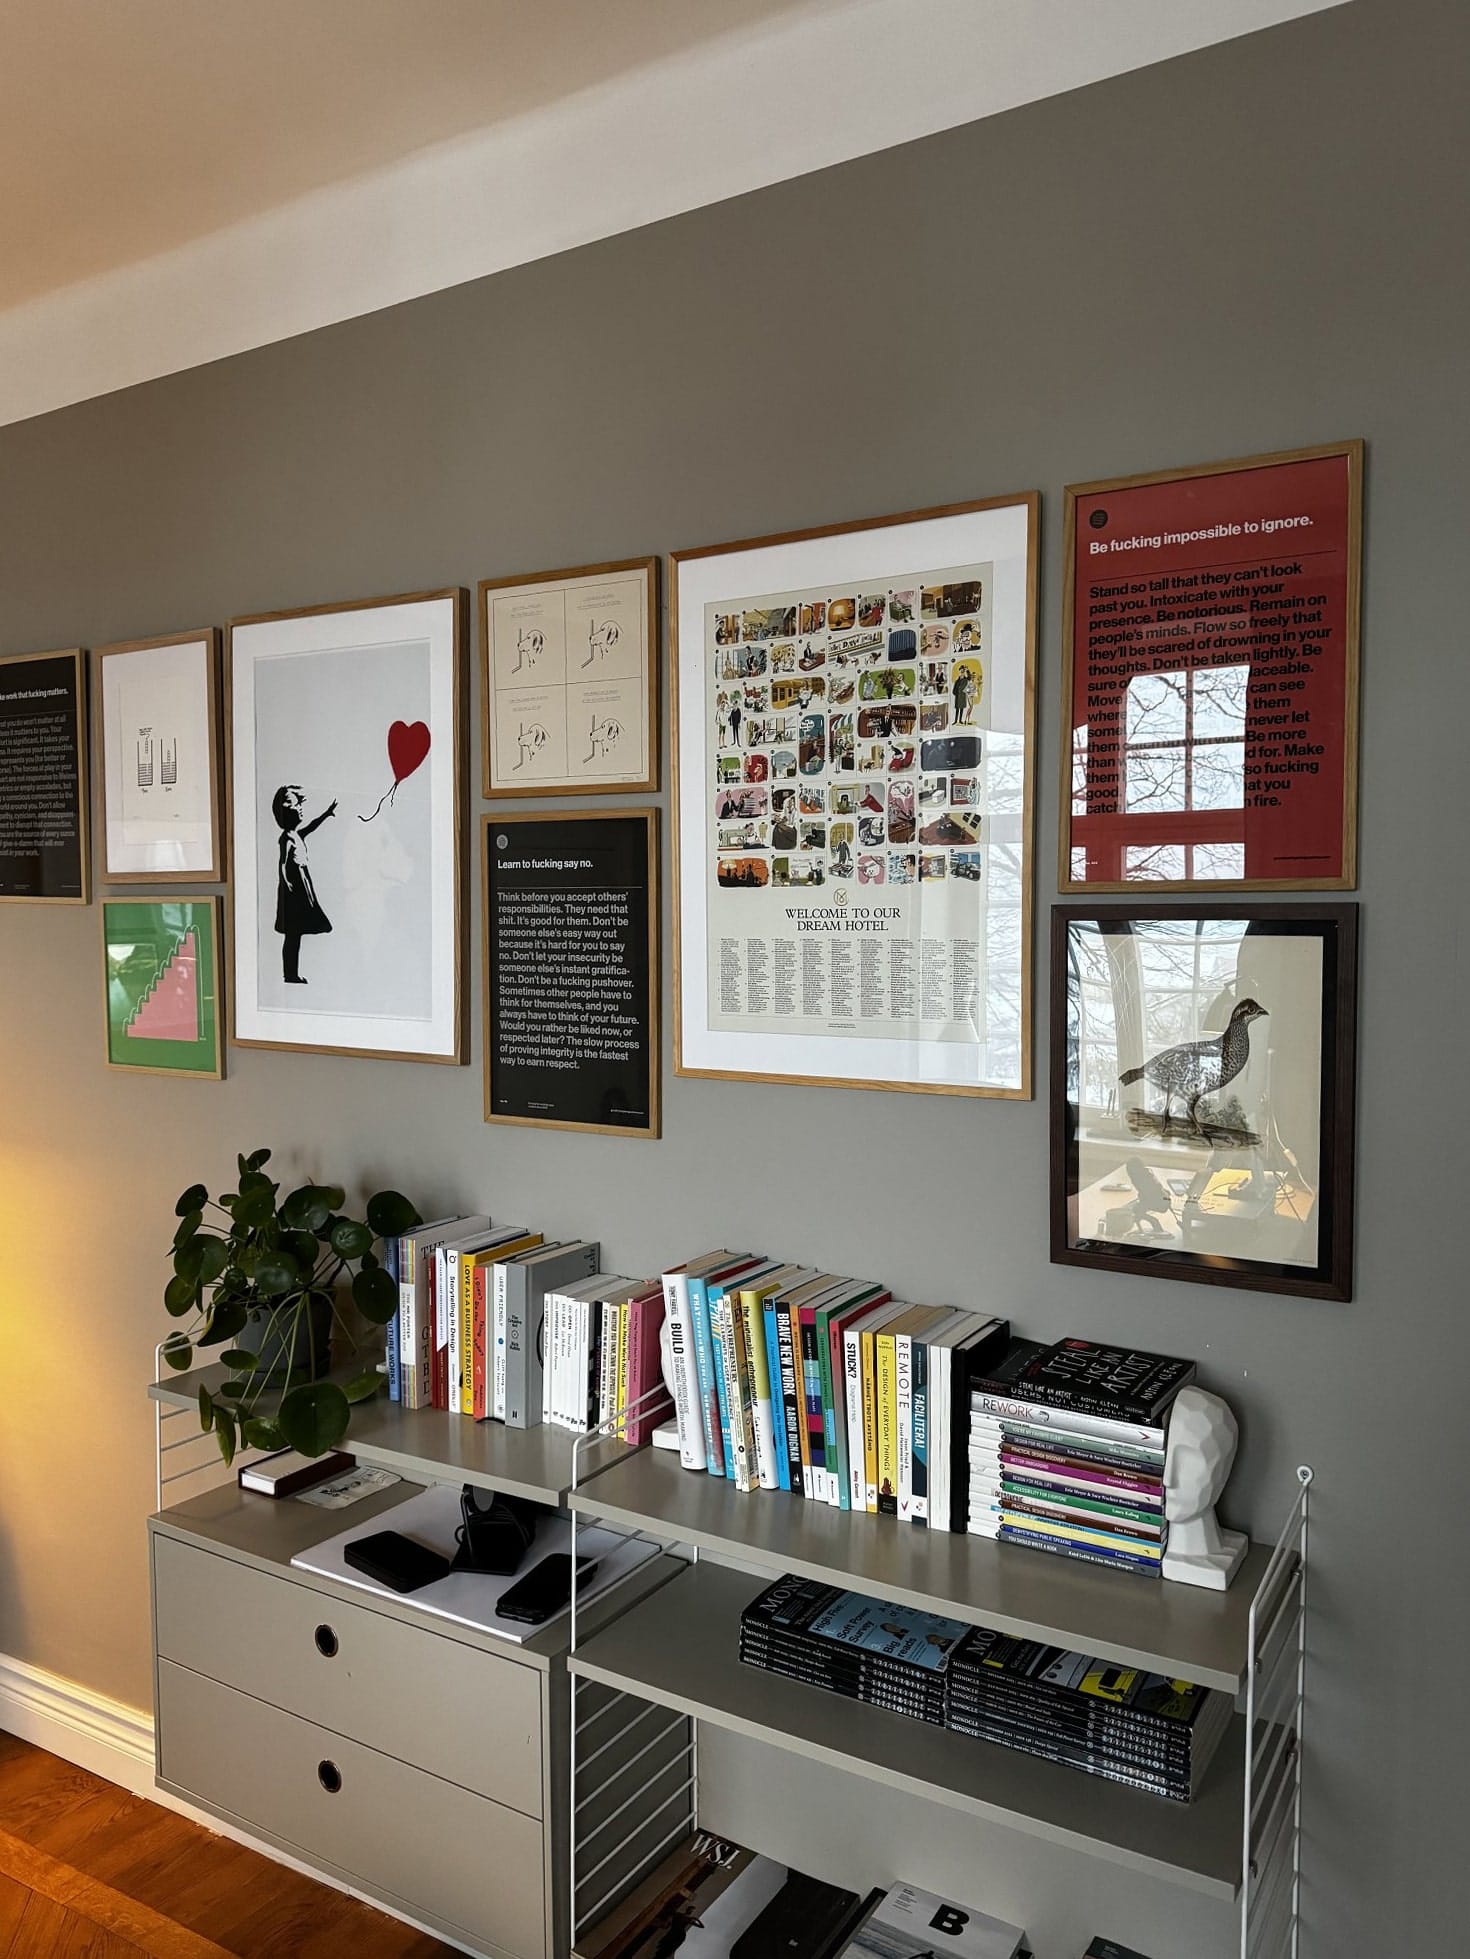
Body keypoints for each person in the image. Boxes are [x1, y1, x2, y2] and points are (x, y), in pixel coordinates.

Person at [272, 784, 336, 984]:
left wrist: (326, 814)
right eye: (295, 804)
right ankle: (290, 974)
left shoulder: (296, 835)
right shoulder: (287, 839)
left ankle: (291, 974)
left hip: (301, 884)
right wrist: (288, 883)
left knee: (295, 936)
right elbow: (282, 863)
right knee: (292, 936)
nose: (299, 808)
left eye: (300, 804)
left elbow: (311, 826)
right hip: (294, 889)